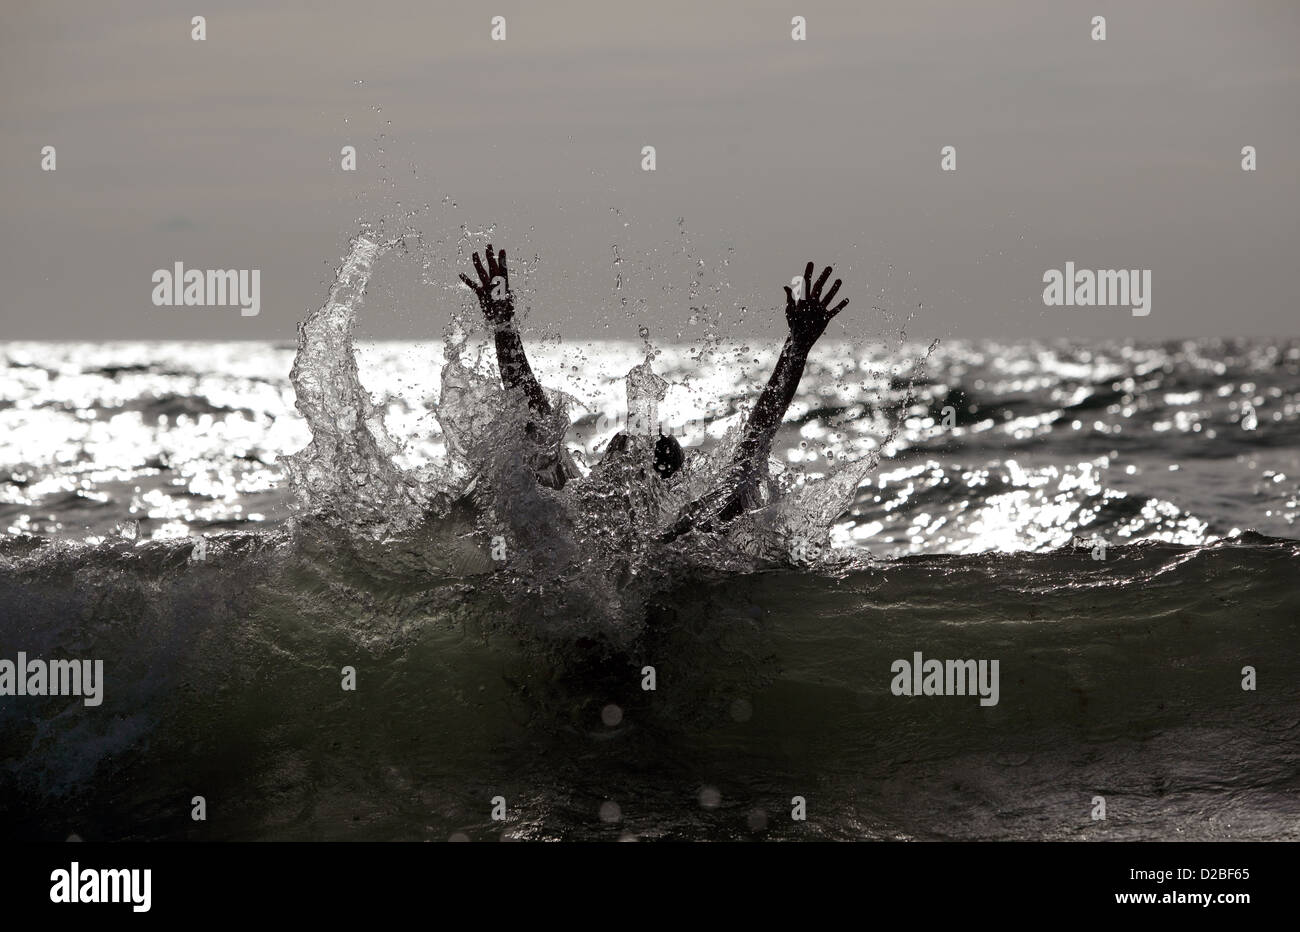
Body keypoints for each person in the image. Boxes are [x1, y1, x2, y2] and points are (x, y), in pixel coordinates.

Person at [458, 245, 850, 540]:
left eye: (626, 452)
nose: (625, 448)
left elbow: (536, 416)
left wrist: (504, 325)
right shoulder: (585, 507)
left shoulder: (686, 526)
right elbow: (756, 434)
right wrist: (796, 348)